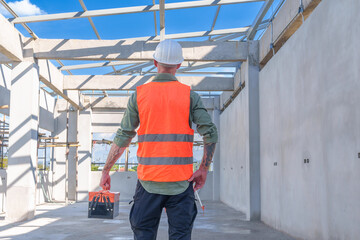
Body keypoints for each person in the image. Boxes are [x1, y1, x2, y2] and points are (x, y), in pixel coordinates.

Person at [100, 39, 218, 240]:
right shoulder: (189, 96)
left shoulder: (139, 95)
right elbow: (210, 133)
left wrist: (105, 170)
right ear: (179, 65)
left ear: (155, 62)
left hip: (148, 183)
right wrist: (203, 169)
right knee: (180, 235)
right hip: (182, 183)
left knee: (144, 234)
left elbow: (123, 136)